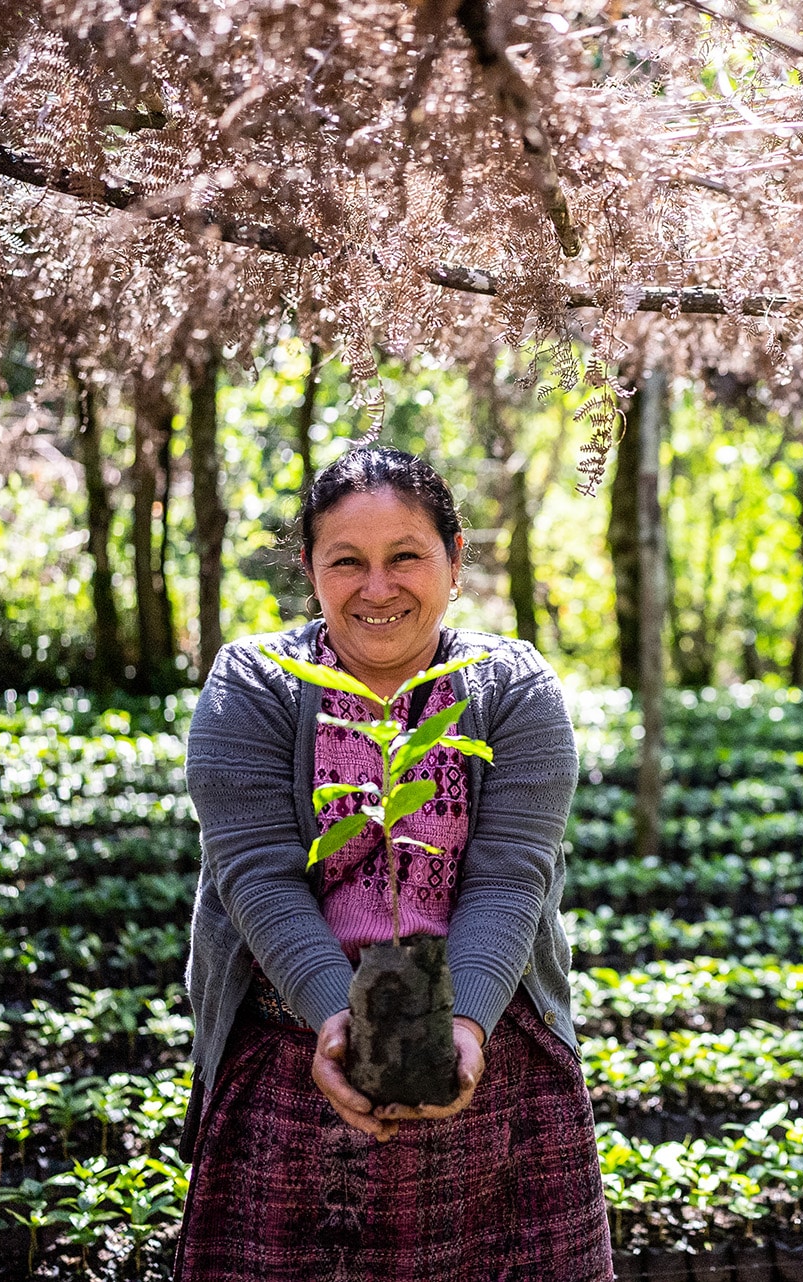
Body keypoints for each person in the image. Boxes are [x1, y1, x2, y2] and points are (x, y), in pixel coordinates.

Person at [174, 447, 609, 1281]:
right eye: (348, 562)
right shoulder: (253, 684)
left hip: (489, 1054)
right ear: (309, 568)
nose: (378, 588)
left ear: (454, 559)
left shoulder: (512, 689)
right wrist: (343, 1025)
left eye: (405, 555)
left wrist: (463, 1026)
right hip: (295, 1051)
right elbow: (258, 874)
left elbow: (511, 874)